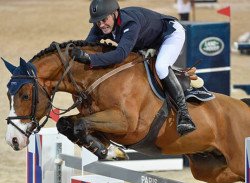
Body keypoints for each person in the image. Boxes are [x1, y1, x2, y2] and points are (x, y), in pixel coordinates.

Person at [70, 0, 196, 135]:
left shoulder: (130, 23)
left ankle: (184, 114)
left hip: (169, 35)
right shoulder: (101, 25)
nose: (101, 25)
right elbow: (88, 46)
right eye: (97, 22)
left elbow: (120, 54)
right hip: (146, 42)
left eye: (104, 20)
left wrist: (90, 59)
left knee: (161, 67)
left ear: (115, 13)